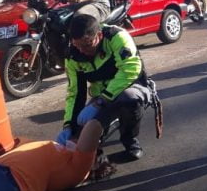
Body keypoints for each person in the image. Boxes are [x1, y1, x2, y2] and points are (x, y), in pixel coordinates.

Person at [55, 14, 156, 161]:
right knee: (82, 130)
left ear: (99, 35)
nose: (82, 51)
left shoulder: (117, 37)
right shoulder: (72, 56)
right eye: (77, 46)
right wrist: (68, 125)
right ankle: (95, 154)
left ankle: (130, 140)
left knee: (129, 100)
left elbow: (130, 69)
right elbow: (75, 93)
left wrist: (102, 100)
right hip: (101, 96)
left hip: (131, 86)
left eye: (87, 45)